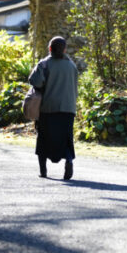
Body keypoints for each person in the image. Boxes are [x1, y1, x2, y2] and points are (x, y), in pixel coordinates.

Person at [29, 36, 79, 180]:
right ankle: (68, 160)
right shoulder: (72, 66)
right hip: (68, 108)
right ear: (64, 50)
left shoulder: (44, 64)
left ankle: (43, 171)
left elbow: (35, 82)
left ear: (50, 49)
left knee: (44, 139)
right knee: (66, 138)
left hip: (48, 108)